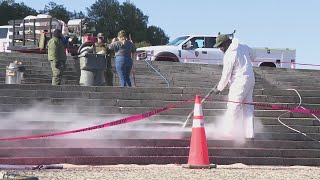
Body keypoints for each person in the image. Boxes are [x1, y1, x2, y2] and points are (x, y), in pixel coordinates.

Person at [212, 34, 256, 140]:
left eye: (221, 46)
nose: (220, 49)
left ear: (227, 43)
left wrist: (219, 88)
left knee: (233, 106)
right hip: (250, 78)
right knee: (248, 107)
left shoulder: (229, 55)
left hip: (239, 81)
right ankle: (249, 134)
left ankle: (229, 132)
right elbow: (253, 55)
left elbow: (226, 75)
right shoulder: (243, 46)